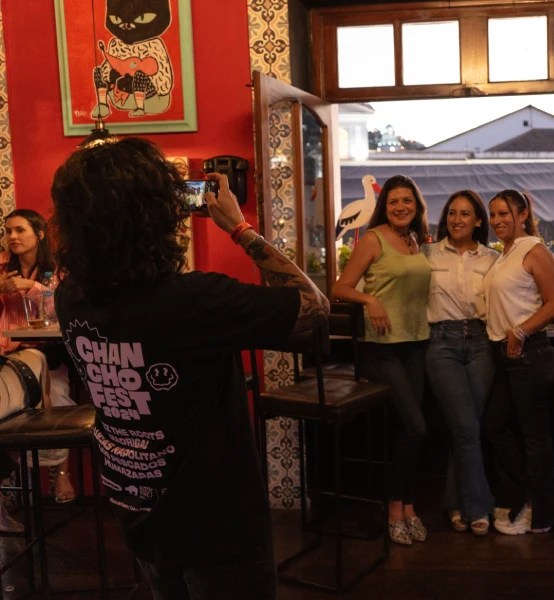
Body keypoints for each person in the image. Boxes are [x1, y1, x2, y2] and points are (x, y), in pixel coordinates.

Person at [51, 137, 329, 600]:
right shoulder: (194, 301)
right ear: (158, 216)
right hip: (215, 526)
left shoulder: (69, 297)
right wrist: (240, 229)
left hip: (136, 506)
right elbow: (314, 308)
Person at [331, 174, 431, 546]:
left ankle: (407, 505)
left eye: (407, 200)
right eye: (393, 202)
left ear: (416, 205)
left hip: (417, 343)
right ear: (383, 207)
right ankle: (394, 508)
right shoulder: (373, 240)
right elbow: (339, 287)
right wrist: (371, 300)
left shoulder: (416, 240)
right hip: (381, 348)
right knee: (416, 427)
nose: (401, 207)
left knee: (410, 432)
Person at [483, 190, 554, 536]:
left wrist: (520, 331)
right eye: (493, 215)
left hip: (530, 353)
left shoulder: (534, 250)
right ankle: (522, 496)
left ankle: (541, 514)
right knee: (494, 427)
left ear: (523, 213)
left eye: (504, 214)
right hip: (505, 355)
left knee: (535, 439)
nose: (497, 221)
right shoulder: (505, 253)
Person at [422, 191, 498, 536]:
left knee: (466, 429)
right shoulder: (427, 253)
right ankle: (478, 508)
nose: (457, 220)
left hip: (482, 342)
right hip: (441, 342)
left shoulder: (494, 259)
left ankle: (455, 504)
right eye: (452, 213)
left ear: (478, 221)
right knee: (466, 428)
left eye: (465, 214)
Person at [0, 209, 75, 508]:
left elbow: (65, 308)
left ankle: (61, 472)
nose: (13, 237)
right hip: (8, 353)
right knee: (8, 408)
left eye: (20, 230)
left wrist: (31, 287)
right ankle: (10, 479)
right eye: (8, 231)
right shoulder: (3, 266)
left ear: (40, 233)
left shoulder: (59, 268)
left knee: (55, 393)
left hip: (49, 352)